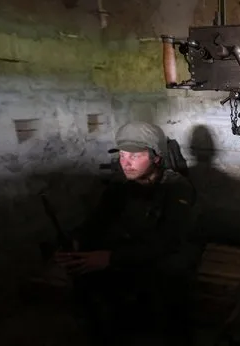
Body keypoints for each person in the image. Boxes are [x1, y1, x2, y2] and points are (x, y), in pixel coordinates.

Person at [54, 121, 203, 344]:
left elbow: (169, 240)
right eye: (122, 155)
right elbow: (98, 220)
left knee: (170, 276)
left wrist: (110, 258)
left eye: (135, 156)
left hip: (169, 255)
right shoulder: (121, 186)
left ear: (157, 158)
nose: (126, 163)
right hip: (136, 250)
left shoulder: (176, 188)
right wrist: (76, 239)